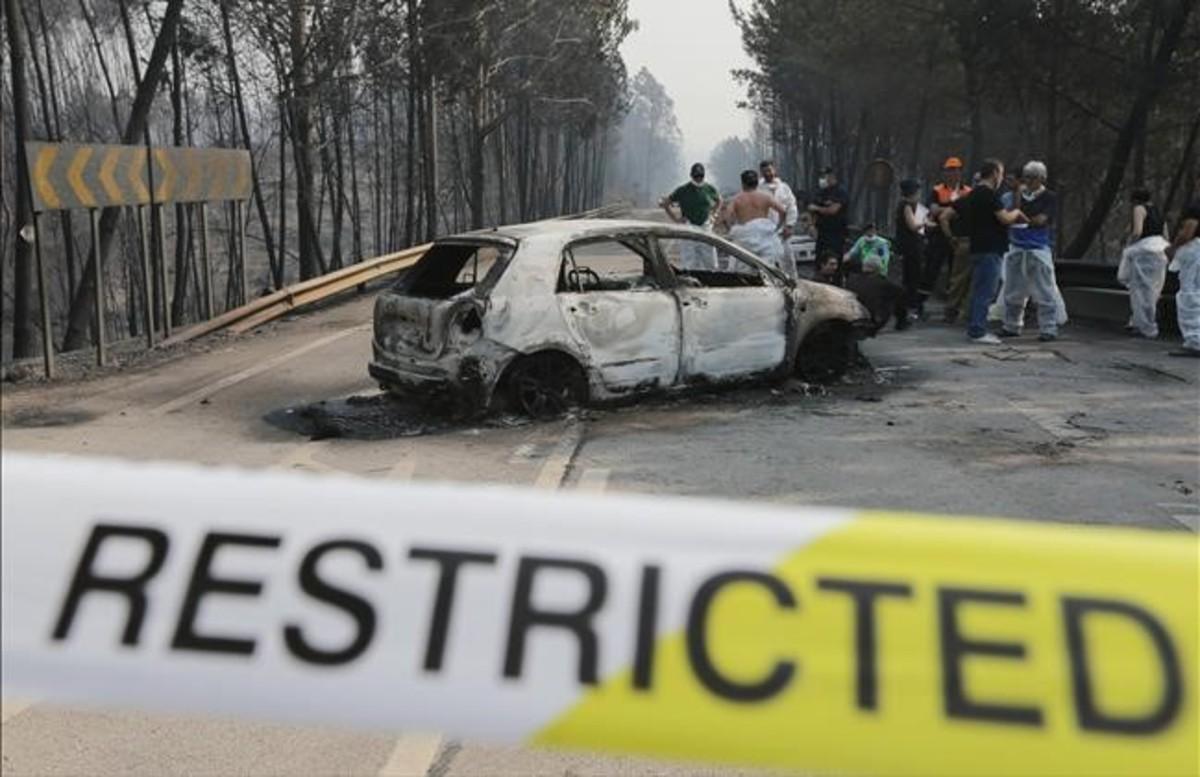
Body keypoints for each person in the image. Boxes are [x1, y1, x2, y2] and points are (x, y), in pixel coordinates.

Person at [940, 158, 1028, 344]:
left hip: (976, 247)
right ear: (995, 172)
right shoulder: (989, 195)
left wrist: (951, 237)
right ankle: (977, 331)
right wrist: (1017, 213)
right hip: (991, 248)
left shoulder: (971, 195)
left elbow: (945, 215)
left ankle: (973, 326)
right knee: (985, 291)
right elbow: (1004, 219)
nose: (1002, 178)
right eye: (1001, 174)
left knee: (977, 290)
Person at [996, 161, 1065, 342]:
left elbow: (1041, 220)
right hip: (1017, 246)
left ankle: (1048, 328)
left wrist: (1021, 218)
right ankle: (1011, 325)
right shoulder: (1016, 195)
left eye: (1032, 178)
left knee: (1044, 291)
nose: (1028, 181)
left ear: (1041, 179)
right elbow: (1012, 212)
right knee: (1013, 289)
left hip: (1038, 248)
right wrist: (1018, 198)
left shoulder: (1049, 197)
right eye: (1025, 177)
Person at [921, 157, 973, 322]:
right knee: (931, 270)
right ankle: (919, 305)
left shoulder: (968, 191)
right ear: (944, 172)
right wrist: (955, 209)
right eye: (949, 170)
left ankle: (953, 308)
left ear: (960, 172)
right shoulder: (936, 191)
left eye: (956, 170)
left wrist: (948, 210)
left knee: (956, 274)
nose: (953, 173)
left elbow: (969, 211)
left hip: (959, 238)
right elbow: (934, 209)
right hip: (938, 237)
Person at [1117, 189, 1170, 340]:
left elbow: (1137, 231)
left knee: (1140, 290)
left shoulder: (1139, 209)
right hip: (1160, 251)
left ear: (1135, 200)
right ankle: (1141, 322)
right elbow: (1166, 234)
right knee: (1154, 289)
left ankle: (1144, 325)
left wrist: (1128, 244)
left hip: (1145, 252)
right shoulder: (1159, 212)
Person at [843, 224, 909, 332]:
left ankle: (900, 320)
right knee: (895, 293)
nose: (869, 234)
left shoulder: (882, 243)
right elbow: (852, 253)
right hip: (869, 270)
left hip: (877, 270)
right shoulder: (862, 241)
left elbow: (884, 260)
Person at [722, 169, 789, 270]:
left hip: (745, 238)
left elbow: (726, 217)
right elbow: (783, 211)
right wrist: (778, 227)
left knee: (744, 267)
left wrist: (731, 230)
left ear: (743, 183)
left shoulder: (737, 199)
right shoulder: (765, 196)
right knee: (768, 268)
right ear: (757, 183)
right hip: (765, 236)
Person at [660, 163, 722, 270]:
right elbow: (666, 203)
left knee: (710, 260)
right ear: (691, 175)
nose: (698, 179)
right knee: (689, 261)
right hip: (689, 226)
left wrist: (714, 215)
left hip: (705, 226)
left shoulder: (709, 189)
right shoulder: (683, 190)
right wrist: (676, 219)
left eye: (700, 176)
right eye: (696, 176)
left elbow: (719, 200)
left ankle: (711, 280)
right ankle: (691, 281)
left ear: (703, 176)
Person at [1167, 181, 1200, 357]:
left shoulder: (1196, 205)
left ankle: (1195, 341)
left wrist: (1172, 248)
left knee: (1190, 295)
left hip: (1195, 250)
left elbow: (1188, 232)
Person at [758, 160, 800, 276]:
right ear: (761, 173)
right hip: (765, 233)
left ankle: (793, 285)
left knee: (788, 261)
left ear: (774, 170)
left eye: (769, 170)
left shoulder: (784, 188)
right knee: (766, 263)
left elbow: (792, 206)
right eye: (764, 171)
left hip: (782, 232)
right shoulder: (758, 189)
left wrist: (789, 225)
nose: (767, 173)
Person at [895, 179, 925, 321]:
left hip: (907, 245)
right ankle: (910, 307)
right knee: (912, 278)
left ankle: (908, 307)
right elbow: (912, 226)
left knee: (910, 278)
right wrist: (924, 222)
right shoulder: (906, 206)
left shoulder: (905, 205)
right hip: (910, 247)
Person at [808, 166, 849, 266]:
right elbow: (810, 209)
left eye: (824, 176)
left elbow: (833, 210)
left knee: (834, 261)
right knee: (820, 261)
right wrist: (811, 225)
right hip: (822, 233)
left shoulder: (840, 191)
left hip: (836, 234)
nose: (822, 179)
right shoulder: (821, 192)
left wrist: (817, 208)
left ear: (832, 176)